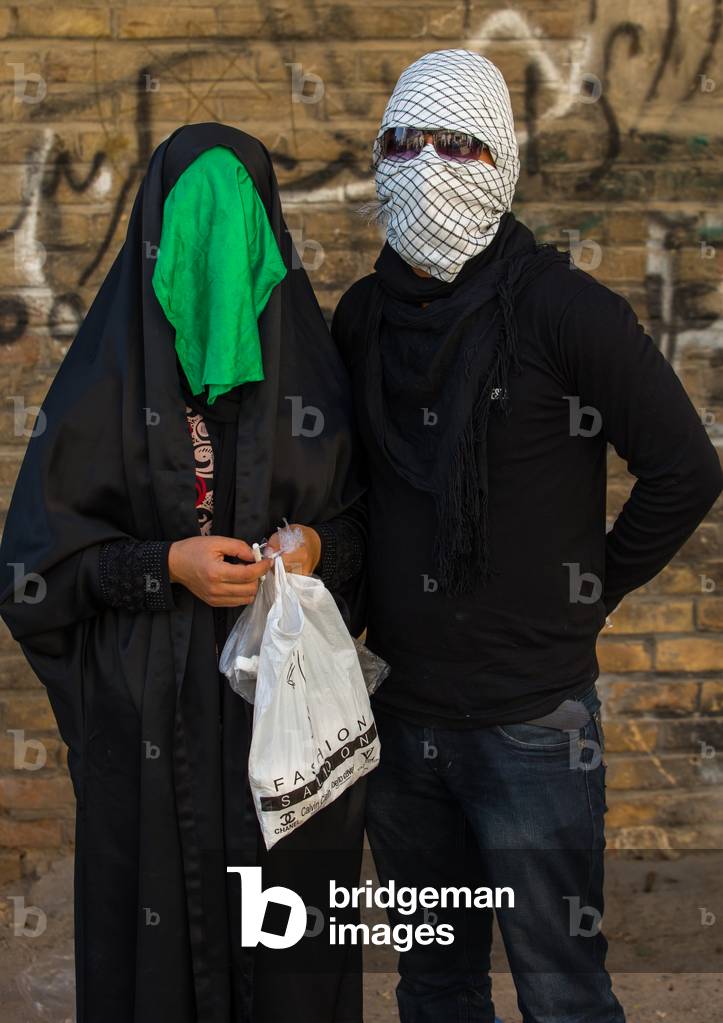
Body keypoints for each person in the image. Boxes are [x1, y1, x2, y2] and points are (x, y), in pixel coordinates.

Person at [330, 50, 723, 1023]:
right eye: (402, 142)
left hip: (534, 726)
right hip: (400, 713)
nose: (425, 164)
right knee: (436, 984)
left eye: (456, 144)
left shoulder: (562, 309)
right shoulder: (364, 316)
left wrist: (591, 587)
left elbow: (686, 470)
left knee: (561, 987)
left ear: (500, 163)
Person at [0, 123, 369, 1023]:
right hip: (152, 731)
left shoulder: (313, 377)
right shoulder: (105, 382)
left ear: (265, 237)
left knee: (288, 956)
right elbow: (36, 569)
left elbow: (368, 537)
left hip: (284, 731)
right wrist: (167, 564)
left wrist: (314, 549)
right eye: (192, 223)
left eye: (231, 222)